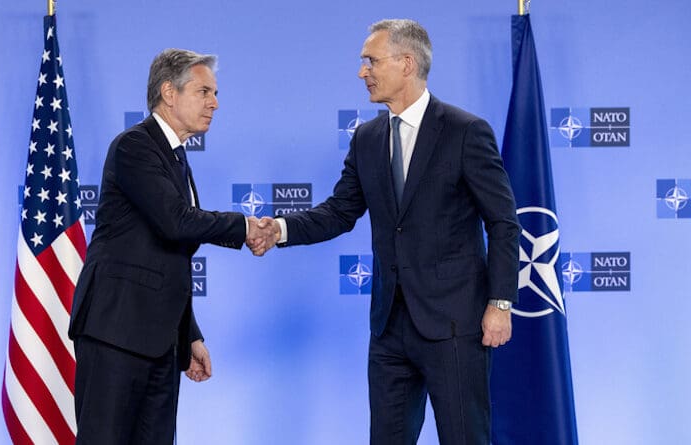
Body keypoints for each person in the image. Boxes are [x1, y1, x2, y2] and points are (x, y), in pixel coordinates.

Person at [253, 19, 521, 444]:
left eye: (371, 61)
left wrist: (501, 302)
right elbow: (340, 211)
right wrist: (280, 229)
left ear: (407, 63)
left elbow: (504, 223)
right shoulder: (367, 138)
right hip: (389, 328)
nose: (363, 72)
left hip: (455, 325)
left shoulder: (465, 131)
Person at [69, 48, 274, 445]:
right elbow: (175, 222)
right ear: (169, 92)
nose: (215, 103)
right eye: (205, 91)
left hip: (159, 340)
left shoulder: (177, 158)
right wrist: (244, 225)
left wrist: (190, 335)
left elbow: (167, 259)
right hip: (116, 331)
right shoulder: (135, 147)